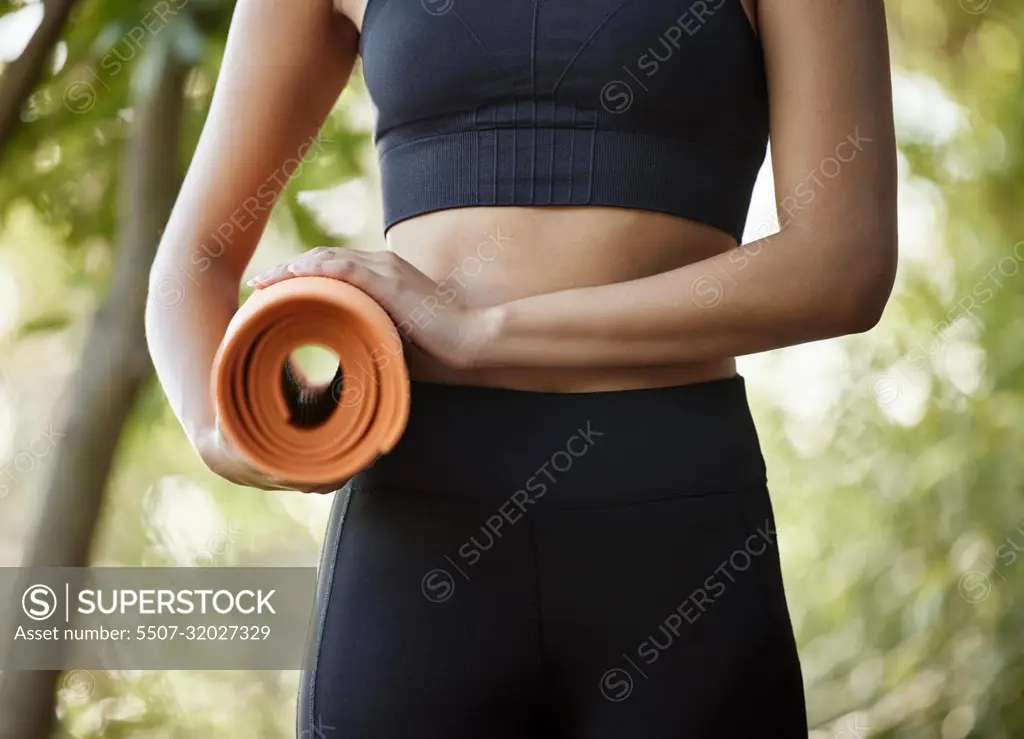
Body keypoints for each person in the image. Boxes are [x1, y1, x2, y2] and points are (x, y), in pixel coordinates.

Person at [145, 0, 897, 736]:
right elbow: (193, 264)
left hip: (679, 529)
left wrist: (482, 330)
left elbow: (843, 263)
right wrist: (223, 430)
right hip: (416, 528)